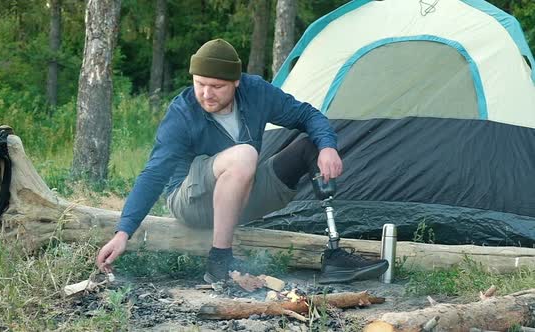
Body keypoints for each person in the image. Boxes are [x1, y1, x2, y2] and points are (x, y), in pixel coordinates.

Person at [96, 38, 388, 283]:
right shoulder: (183, 113)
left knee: (309, 146)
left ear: (236, 82)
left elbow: (307, 115)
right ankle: (219, 261)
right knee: (245, 153)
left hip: (242, 196)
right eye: (200, 84)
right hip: (190, 201)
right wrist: (124, 232)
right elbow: (153, 174)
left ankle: (334, 254)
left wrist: (327, 146)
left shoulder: (256, 92)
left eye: (217, 86)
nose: (206, 94)